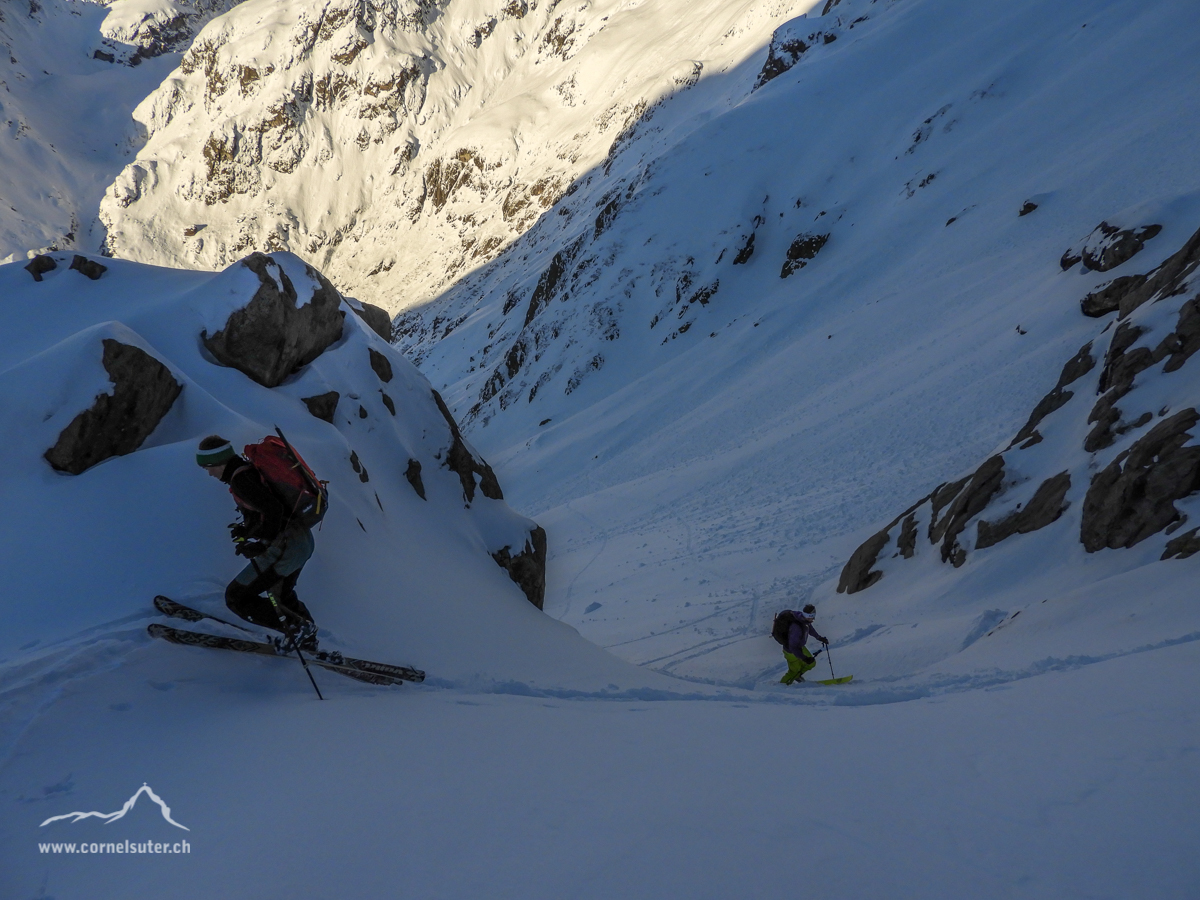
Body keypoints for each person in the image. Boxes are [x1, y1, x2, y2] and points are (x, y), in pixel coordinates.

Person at [196, 435, 318, 651]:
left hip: (286, 548)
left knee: (237, 597)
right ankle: (306, 639)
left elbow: (274, 510)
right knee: (282, 595)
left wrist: (262, 544)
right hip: (302, 542)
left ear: (220, 462)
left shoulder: (240, 480)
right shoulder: (248, 471)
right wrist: (246, 531)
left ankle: (298, 630)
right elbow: (266, 509)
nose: (209, 473)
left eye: (210, 467)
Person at [780, 604, 828, 684]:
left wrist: (819, 638)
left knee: (811, 663)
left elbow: (810, 629)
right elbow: (793, 647)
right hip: (790, 651)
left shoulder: (805, 620)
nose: (812, 618)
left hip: (800, 647)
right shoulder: (796, 627)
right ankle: (782, 686)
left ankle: (797, 676)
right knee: (794, 671)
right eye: (811, 616)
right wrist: (804, 658)